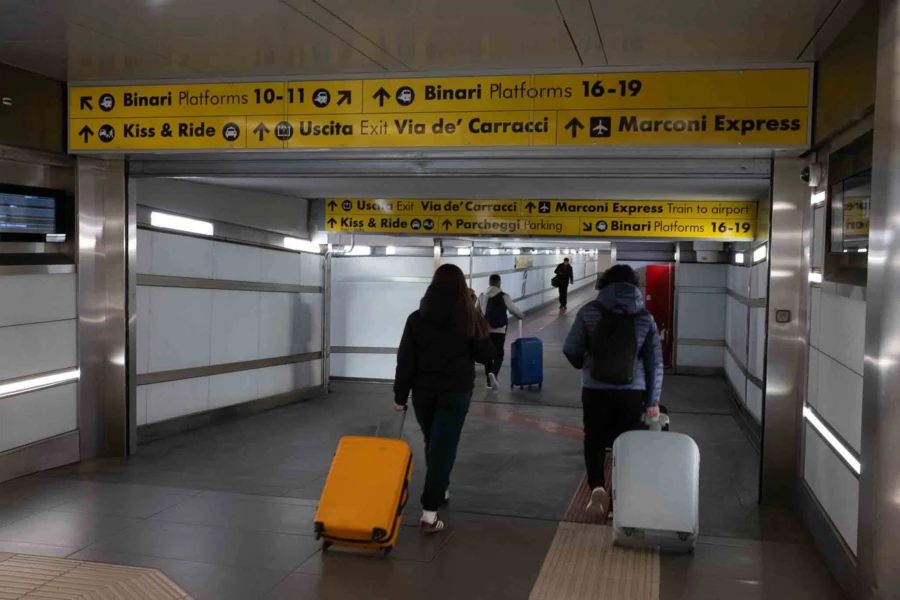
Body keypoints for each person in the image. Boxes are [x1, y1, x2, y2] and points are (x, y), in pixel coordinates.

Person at [394, 264, 495, 534]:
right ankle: (429, 513)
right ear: (461, 286)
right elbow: (487, 355)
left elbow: (405, 360)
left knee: (433, 442)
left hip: (423, 393)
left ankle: (442, 486)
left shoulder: (416, 317)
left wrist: (400, 395)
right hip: (456, 392)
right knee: (444, 447)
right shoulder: (470, 317)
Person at [562, 264, 663, 521]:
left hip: (595, 389)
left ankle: (597, 486)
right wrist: (652, 401)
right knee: (627, 445)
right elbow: (654, 363)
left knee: (594, 439)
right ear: (634, 285)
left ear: (604, 283)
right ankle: (619, 501)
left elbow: (571, 349)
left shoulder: (589, 311)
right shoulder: (644, 318)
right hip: (632, 392)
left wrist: (585, 362)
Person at [477, 274, 525, 391]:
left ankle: (489, 382)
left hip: (486, 331)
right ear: (499, 283)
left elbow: (475, 311)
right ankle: (494, 373)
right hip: (499, 330)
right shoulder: (504, 296)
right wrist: (521, 316)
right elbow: (513, 309)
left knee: (488, 354)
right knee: (499, 354)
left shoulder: (482, 296)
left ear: (489, 283)